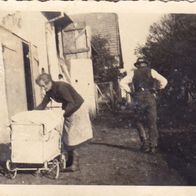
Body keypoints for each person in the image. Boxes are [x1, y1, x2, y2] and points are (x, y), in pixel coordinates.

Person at [35, 73, 93, 171]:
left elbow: (71, 102)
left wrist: (62, 113)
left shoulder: (61, 87)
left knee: (72, 136)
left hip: (77, 109)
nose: (43, 88)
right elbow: (43, 104)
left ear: (49, 82)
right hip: (69, 110)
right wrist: (31, 113)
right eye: (41, 87)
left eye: (44, 86)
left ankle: (75, 164)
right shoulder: (50, 91)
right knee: (66, 136)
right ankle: (70, 161)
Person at [120, 57, 168, 153]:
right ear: (146, 64)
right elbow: (164, 81)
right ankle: (153, 146)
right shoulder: (152, 71)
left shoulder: (133, 73)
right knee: (152, 121)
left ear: (138, 64)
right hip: (150, 97)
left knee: (138, 120)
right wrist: (157, 89)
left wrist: (130, 92)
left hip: (138, 97)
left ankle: (144, 142)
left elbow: (122, 83)